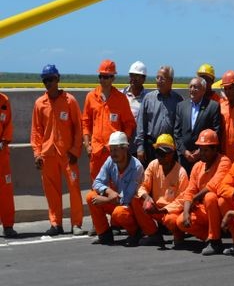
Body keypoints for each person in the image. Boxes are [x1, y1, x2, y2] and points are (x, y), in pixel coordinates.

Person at [31, 64, 84, 236]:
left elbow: (78, 127)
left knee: (74, 188)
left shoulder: (70, 101)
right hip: (48, 154)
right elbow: (36, 131)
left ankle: (76, 223)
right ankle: (56, 223)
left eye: (51, 79)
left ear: (58, 79)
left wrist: (76, 151)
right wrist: (37, 154)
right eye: (45, 80)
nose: (48, 83)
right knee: (51, 191)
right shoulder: (40, 104)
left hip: (67, 154)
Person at [86, 131, 148, 246]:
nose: (112, 153)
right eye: (111, 149)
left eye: (116, 149)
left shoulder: (137, 167)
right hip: (116, 201)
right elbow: (97, 182)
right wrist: (108, 191)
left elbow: (128, 198)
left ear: (125, 149)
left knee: (119, 212)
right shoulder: (110, 160)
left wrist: (107, 200)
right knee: (91, 197)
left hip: (132, 207)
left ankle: (135, 232)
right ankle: (104, 235)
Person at [176, 129, 231, 255]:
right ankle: (209, 237)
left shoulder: (224, 161)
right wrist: (186, 212)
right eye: (200, 149)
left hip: (220, 208)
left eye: (206, 150)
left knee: (210, 197)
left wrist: (195, 198)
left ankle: (215, 240)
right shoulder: (197, 166)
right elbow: (190, 191)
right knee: (180, 222)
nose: (202, 153)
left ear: (215, 149)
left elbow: (214, 185)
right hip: (203, 209)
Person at [82, 59, 136, 182]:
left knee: (114, 185)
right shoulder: (91, 97)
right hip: (96, 151)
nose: (103, 80)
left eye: (106, 77)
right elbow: (85, 122)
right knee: (96, 185)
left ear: (113, 78)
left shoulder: (121, 99)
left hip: (115, 152)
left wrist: (124, 143)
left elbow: (129, 123)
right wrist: (87, 145)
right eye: (101, 76)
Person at [136, 133, 189, 247]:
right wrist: (147, 197)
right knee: (136, 200)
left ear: (172, 153)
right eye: (157, 153)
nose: (159, 156)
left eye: (163, 153)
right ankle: (153, 235)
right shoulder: (153, 165)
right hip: (155, 207)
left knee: (171, 220)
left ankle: (178, 234)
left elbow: (182, 201)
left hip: (170, 211)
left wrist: (163, 210)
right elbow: (142, 186)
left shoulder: (181, 173)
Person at [135, 65, 183, 165]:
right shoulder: (148, 98)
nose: (159, 80)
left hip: (170, 147)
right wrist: (140, 147)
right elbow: (141, 124)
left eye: (162, 78)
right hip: (151, 146)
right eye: (157, 77)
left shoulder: (178, 100)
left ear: (170, 81)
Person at [174, 77, 221, 174]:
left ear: (203, 90)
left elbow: (216, 131)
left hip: (204, 157)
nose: (192, 89)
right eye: (190, 86)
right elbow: (176, 132)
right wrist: (184, 151)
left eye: (195, 87)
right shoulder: (181, 106)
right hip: (184, 158)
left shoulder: (213, 106)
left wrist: (201, 151)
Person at [122, 61, 148, 157]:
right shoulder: (121, 95)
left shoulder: (148, 98)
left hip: (139, 148)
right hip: (122, 145)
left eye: (137, 76)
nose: (133, 78)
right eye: (131, 75)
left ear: (144, 79)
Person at [0, 91, 16, 238]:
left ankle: (8, 225)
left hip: (1, 153)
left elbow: (8, 123)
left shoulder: (4, 100)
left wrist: (4, 141)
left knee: (5, 190)